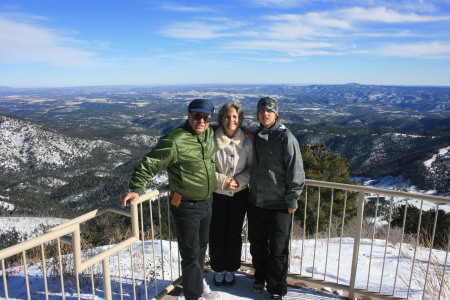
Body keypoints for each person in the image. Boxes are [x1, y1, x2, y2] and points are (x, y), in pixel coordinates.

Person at [122, 99, 220, 300]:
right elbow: (150, 163)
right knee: (191, 253)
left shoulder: (210, 134)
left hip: (207, 202)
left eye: (205, 117)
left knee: (201, 249)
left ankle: (198, 284)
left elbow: (227, 130)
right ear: (189, 115)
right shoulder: (175, 140)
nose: (201, 121)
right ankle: (194, 296)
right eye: (196, 116)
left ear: (210, 119)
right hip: (186, 206)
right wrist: (137, 188)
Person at [248, 97, 305, 300]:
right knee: (257, 244)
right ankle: (259, 277)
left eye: (269, 111)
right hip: (256, 202)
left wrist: (292, 199)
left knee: (278, 248)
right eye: (262, 111)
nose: (265, 114)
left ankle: (277, 288)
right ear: (257, 114)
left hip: (279, 204)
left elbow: (296, 171)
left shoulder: (285, 138)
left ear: (276, 114)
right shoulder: (254, 136)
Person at [209, 102, 253, 287]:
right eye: (227, 116)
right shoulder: (211, 140)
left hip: (240, 194)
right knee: (217, 232)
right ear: (222, 119)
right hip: (217, 193)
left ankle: (231, 268)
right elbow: (207, 167)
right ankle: (218, 268)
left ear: (239, 119)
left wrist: (239, 181)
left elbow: (252, 167)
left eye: (234, 117)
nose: (231, 120)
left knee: (235, 233)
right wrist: (223, 181)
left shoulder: (248, 141)